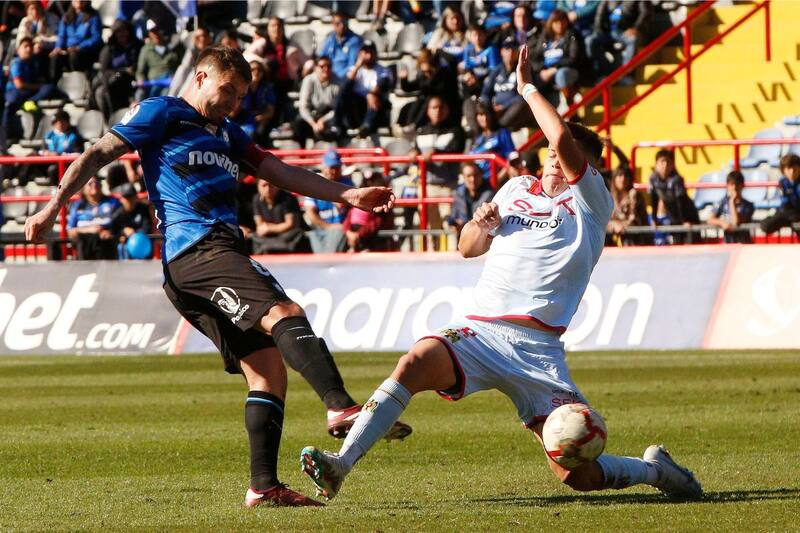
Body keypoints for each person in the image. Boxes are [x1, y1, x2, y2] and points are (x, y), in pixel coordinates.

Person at [300, 44, 703, 504]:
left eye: (563, 154)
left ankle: (655, 471)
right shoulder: (515, 189)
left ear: (589, 168)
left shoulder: (591, 203)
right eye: (549, 152)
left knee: (575, 473)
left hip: (538, 349)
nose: (553, 157)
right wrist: (481, 224)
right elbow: (467, 248)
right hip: (480, 331)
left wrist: (526, 87)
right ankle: (340, 465)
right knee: (414, 361)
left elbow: (563, 138)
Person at [24, 46, 410, 508]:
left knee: (267, 372)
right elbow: (98, 153)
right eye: (228, 91)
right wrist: (53, 206)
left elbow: (278, 171)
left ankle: (263, 488)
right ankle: (340, 406)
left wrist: (347, 195)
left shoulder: (228, 133)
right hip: (198, 250)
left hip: (205, 259)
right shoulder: (162, 112)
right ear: (201, 77)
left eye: (241, 96)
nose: (233, 103)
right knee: (283, 311)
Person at [409, 96, 466, 240]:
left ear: (447, 110)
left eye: (441, 107)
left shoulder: (456, 130)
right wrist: (413, 153)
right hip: (427, 186)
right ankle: (430, 253)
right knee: (430, 229)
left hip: (449, 186)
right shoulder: (421, 131)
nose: (438, 111)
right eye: (434, 107)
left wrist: (436, 152)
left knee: (451, 227)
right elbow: (416, 153)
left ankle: (454, 254)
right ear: (428, 111)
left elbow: (456, 151)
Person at [2, 37, 63, 145]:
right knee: (10, 103)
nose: (28, 49)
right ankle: (6, 137)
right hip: (16, 93)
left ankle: (29, 102)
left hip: (30, 93)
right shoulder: (16, 63)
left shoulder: (34, 62)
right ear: (18, 50)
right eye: (25, 46)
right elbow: (19, 85)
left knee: (49, 88)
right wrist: (37, 86)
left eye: (30, 46)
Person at [334, 40, 393, 138]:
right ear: (360, 54)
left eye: (371, 52)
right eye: (366, 52)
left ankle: (367, 126)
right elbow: (345, 86)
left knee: (375, 97)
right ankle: (336, 125)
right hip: (357, 109)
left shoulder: (383, 70)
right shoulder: (354, 70)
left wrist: (371, 94)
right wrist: (357, 66)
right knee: (343, 93)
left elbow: (382, 84)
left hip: (376, 109)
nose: (368, 56)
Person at [529, 9, 584, 112]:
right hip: (546, 71)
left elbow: (573, 59)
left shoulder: (572, 36)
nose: (559, 25)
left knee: (561, 74)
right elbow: (535, 57)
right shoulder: (545, 38)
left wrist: (555, 69)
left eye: (562, 21)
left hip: (568, 71)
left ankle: (570, 108)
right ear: (551, 23)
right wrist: (542, 70)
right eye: (556, 22)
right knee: (531, 79)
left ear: (567, 22)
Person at [477, 36, 535, 131]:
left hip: (514, 109)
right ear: (501, 51)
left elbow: (524, 94)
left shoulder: (523, 69)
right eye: (507, 49)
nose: (511, 52)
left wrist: (504, 106)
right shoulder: (496, 71)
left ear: (518, 52)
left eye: (513, 49)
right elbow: (485, 93)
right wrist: (490, 107)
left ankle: (500, 128)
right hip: (495, 110)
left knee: (522, 102)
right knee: (474, 103)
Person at [586, 0, 652, 83]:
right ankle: (606, 72)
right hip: (609, 32)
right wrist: (599, 30)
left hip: (626, 31)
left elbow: (645, 13)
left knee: (632, 39)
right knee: (591, 41)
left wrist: (636, 28)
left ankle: (625, 73)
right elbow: (599, 15)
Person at [397, 49, 459, 130]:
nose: (426, 74)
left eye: (429, 71)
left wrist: (438, 51)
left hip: (445, 104)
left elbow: (453, 61)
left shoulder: (444, 74)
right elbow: (409, 88)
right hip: (427, 102)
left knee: (427, 100)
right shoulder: (423, 77)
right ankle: (405, 125)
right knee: (410, 104)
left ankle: (415, 125)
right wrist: (403, 79)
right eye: (424, 71)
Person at [92, 19, 142, 119]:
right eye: (119, 31)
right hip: (113, 81)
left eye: (124, 30)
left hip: (133, 80)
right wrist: (122, 71)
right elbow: (104, 71)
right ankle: (110, 119)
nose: (122, 34)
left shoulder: (137, 46)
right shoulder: (108, 49)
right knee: (101, 93)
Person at [304, 150, 352, 253]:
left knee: (339, 231)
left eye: (336, 167)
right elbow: (310, 213)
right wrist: (328, 227)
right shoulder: (314, 183)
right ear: (323, 167)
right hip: (320, 228)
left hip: (341, 228)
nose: (333, 171)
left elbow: (348, 209)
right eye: (331, 167)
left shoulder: (347, 183)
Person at [648, 149, 699, 244]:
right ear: (656, 164)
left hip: (688, 214)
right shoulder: (653, 178)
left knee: (690, 243)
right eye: (662, 161)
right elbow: (654, 199)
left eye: (668, 162)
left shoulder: (676, 179)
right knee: (677, 243)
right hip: (672, 215)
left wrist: (685, 221)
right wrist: (654, 219)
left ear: (672, 165)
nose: (665, 165)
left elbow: (681, 201)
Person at [66, 176, 121, 260]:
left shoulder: (113, 202)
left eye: (97, 182)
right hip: (85, 243)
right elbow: (71, 232)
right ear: (83, 188)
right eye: (90, 183)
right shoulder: (77, 206)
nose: (94, 185)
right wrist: (89, 230)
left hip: (106, 242)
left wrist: (110, 232)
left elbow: (121, 223)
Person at [251, 179, 312, 254]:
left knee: (296, 234)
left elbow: (290, 224)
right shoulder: (256, 199)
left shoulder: (288, 198)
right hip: (269, 234)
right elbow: (260, 225)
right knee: (255, 236)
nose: (268, 188)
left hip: (287, 233)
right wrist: (266, 229)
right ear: (258, 187)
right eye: (264, 185)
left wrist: (270, 228)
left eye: (271, 185)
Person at [293, 56, 341, 148]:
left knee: (338, 125)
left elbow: (337, 109)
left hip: (328, 117)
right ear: (315, 68)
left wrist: (323, 120)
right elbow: (303, 107)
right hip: (312, 116)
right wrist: (313, 124)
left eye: (329, 66)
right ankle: (302, 152)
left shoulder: (338, 82)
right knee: (299, 123)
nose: (326, 69)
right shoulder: (308, 80)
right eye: (322, 66)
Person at [49, 0, 102, 81]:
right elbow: (61, 36)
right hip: (68, 49)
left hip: (84, 51)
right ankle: (53, 83)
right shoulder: (67, 16)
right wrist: (58, 47)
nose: (79, 1)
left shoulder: (93, 16)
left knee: (74, 56)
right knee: (55, 57)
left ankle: (78, 82)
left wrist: (80, 47)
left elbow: (96, 38)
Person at [343, 171, 394, 252]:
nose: (369, 184)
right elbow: (348, 218)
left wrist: (359, 234)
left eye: (372, 181)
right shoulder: (358, 198)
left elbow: (379, 222)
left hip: (369, 239)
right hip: (352, 235)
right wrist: (348, 232)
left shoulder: (381, 200)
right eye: (366, 181)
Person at [134, 19, 182, 101]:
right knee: (140, 95)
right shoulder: (146, 50)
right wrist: (141, 80)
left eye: (158, 30)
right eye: (153, 31)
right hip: (153, 84)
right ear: (149, 33)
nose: (156, 34)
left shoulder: (174, 47)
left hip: (171, 82)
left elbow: (182, 65)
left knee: (167, 95)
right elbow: (140, 72)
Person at [232, 59, 276, 145]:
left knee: (261, 131)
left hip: (261, 119)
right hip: (242, 118)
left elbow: (271, 111)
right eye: (253, 70)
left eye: (259, 70)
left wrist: (259, 117)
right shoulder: (240, 87)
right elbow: (233, 113)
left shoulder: (267, 88)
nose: (256, 72)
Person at [469, 101, 516, 178]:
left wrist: (497, 178)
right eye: (481, 114)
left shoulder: (502, 133)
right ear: (476, 117)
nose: (485, 118)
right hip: (478, 180)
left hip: (497, 178)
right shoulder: (476, 137)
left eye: (487, 114)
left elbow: (512, 157)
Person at [448, 162, 495, 235]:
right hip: (463, 234)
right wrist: (455, 224)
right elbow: (453, 216)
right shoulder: (458, 193)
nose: (473, 179)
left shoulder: (490, 194)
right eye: (469, 176)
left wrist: (465, 224)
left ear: (481, 175)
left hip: (483, 235)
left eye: (476, 175)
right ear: (463, 177)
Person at [606, 164, 649, 246]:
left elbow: (635, 220)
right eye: (619, 175)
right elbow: (603, 220)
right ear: (614, 178)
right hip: (613, 234)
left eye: (626, 176)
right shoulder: (609, 196)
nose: (623, 179)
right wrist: (613, 225)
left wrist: (621, 226)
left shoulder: (634, 195)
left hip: (634, 236)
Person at [708, 170, 754, 244]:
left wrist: (732, 202)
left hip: (743, 244)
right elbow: (710, 219)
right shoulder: (722, 203)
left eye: (737, 184)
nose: (734, 187)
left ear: (742, 185)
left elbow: (735, 222)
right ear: (727, 186)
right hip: (728, 244)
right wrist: (722, 223)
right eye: (731, 184)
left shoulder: (748, 205)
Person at [760, 154, 800, 238]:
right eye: (789, 169)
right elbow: (785, 204)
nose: (792, 172)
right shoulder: (783, 182)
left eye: (795, 168)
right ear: (783, 170)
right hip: (789, 214)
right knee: (765, 225)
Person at [38, 109, 82, 185]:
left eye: (62, 121)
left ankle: (55, 188)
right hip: (49, 161)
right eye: (57, 122)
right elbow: (42, 150)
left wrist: (60, 155)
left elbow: (79, 154)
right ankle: (19, 182)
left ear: (67, 122)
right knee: (28, 161)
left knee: (53, 169)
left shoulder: (74, 136)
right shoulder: (49, 136)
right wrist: (45, 153)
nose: (60, 124)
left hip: (66, 164)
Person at [111, 182, 154, 258]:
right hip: (124, 248)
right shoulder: (117, 213)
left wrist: (133, 233)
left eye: (131, 197)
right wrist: (123, 232)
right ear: (121, 199)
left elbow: (147, 227)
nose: (129, 200)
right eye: (126, 198)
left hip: (142, 244)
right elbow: (113, 230)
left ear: (136, 197)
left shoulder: (144, 209)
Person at [168, 26, 212, 97]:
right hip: (184, 89)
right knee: (182, 70)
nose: (198, 39)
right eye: (196, 37)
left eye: (201, 36)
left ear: (209, 38)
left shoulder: (212, 53)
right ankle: (172, 97)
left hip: (201, 86)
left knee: (193, 73)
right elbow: (184, 68)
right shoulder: (192, 53)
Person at [319, 12, 362, 80]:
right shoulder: (330, 38)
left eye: (344, 23)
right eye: (338, 23)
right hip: (329, 73)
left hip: (344, 76)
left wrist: (336, 77)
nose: (342, 26)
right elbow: (322, 58)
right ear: (333, 24)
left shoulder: (355, 40)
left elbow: (352, 64)